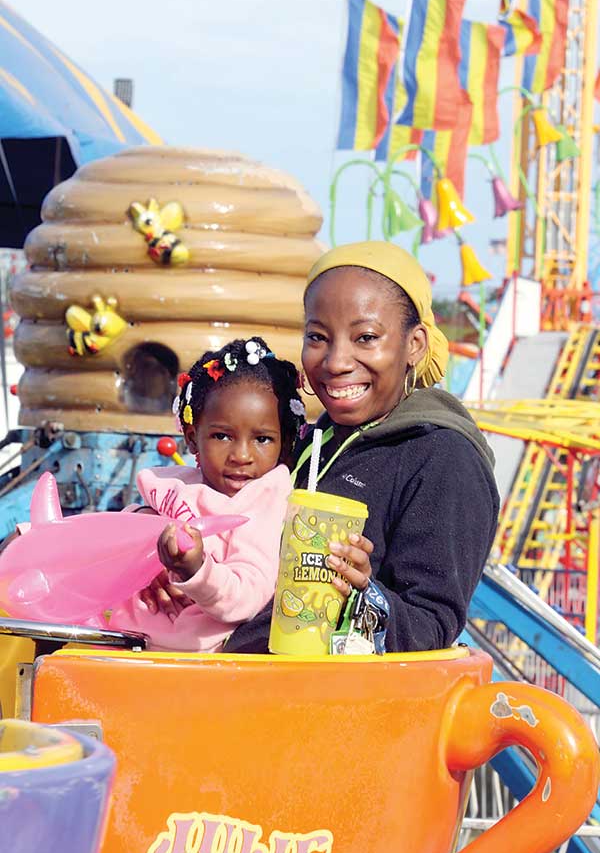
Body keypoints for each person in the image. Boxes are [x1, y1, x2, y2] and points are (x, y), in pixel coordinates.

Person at [223, 241, 500, 653]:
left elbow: (431, 625)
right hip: (239, 689)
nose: (336, 361)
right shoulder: (315, 440)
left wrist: (363, 594)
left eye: (365, 337)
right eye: (317, 337)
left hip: (329, 709)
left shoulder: (442, 456)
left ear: (415, 344)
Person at [109, 336, 305, 651]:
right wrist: (143, 525)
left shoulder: (264, 497)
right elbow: (117, 536)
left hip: (189, 662)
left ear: (285, 443)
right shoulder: (180, 483)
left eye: (263, 439)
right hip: (123, 639)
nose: (241, 455)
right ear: (191, 437)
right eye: (222, 436)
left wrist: (196, 570)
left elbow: (249, 591)